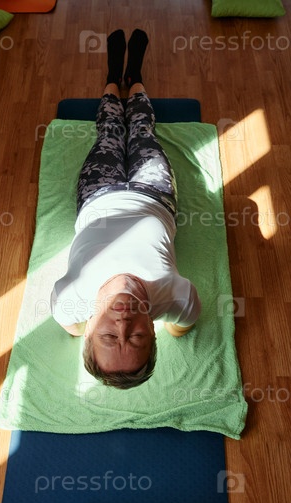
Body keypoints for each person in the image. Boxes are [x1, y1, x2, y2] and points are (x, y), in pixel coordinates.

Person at [50, 29, 201, 389]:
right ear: (152, 330)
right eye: (136, 338)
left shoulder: (70, 301)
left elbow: (70, 327)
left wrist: (78, 329)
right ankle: (134, 77)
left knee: (109, 133)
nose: (122, 325)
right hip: (155, 194)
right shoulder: (175, 297)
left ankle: (112, 77)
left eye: (108, 337)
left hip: (98, 193)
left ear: (91, 331)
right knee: (143, 131)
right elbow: (183, 325)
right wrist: (177, 328)